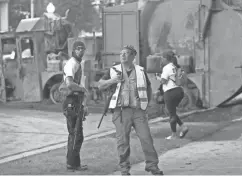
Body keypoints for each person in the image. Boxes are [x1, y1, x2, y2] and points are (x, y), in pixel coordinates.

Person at [98, 45, 163, 175]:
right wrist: (113, 80)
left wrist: (146, 105)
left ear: (133, 56)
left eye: (126, 53)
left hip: (139, 111)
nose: (122, 55)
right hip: (121, 112)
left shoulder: (140, 71)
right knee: (123, 142)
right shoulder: (113, 71)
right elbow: (100, 85)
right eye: (121, 53)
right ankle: (124, 169)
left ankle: (152, 165)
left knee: (146, 139)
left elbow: (148, 88)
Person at [60, 41, 89, 172]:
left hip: (76, 101)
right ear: (73, 50)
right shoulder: (71, 64)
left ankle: (75, 163)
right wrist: (83, 89)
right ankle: (71, 164)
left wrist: (84, 104)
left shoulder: (78, 64)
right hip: (71, 101)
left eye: (82, 48)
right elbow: (70, 84)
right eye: (78, 49)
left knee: (77, 134)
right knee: (75, 133)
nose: (80, 51)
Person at [159, 50, 189, 140]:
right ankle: (183, 127)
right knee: (171, 112)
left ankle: (173, 135)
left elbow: (163, 81)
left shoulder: (166, 67)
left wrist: (158, 78)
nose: (161, 60)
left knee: (171, 114)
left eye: (162, 58)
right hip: (179, 91)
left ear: (165, 59)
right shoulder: (175, 67)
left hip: (170, 92)